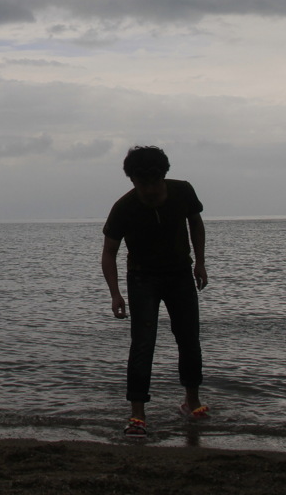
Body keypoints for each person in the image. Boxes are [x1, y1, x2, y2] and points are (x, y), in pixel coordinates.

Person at [100, 145, 208, 436]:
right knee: (143, 344)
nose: (148, 191)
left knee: (189, 340)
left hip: (180, 276)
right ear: (132, 181)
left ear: (164, 176)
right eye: (141, 184)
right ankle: (137, 415)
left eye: (154, 183)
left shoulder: (183, 192)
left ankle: (191, 401)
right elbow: (109, 252)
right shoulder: (124, 208)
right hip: (141, 280)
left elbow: (196, 224)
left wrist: (200, 262)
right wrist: (115, 293)